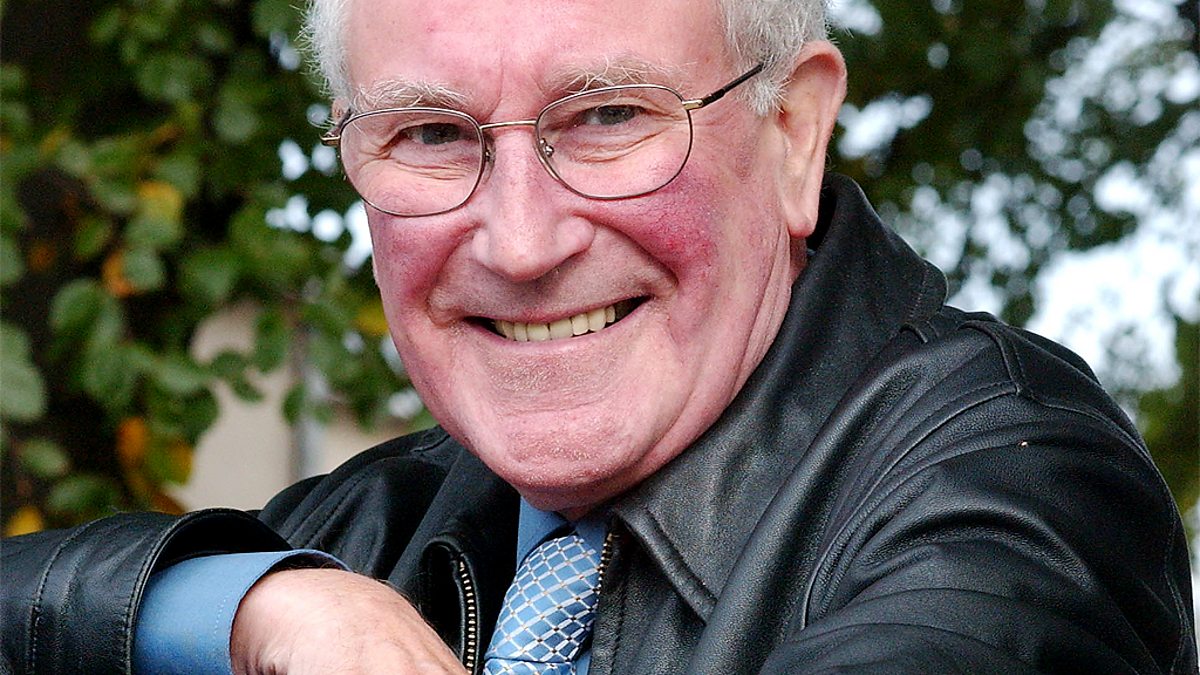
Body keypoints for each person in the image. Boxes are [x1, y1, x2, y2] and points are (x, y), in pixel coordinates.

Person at [3, 0, 1196, 672]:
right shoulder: (368, 528)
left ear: (794, 133)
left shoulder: (1016, 475)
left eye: (611, 116)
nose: (521, 243)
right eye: (430, 135)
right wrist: (243, 604)